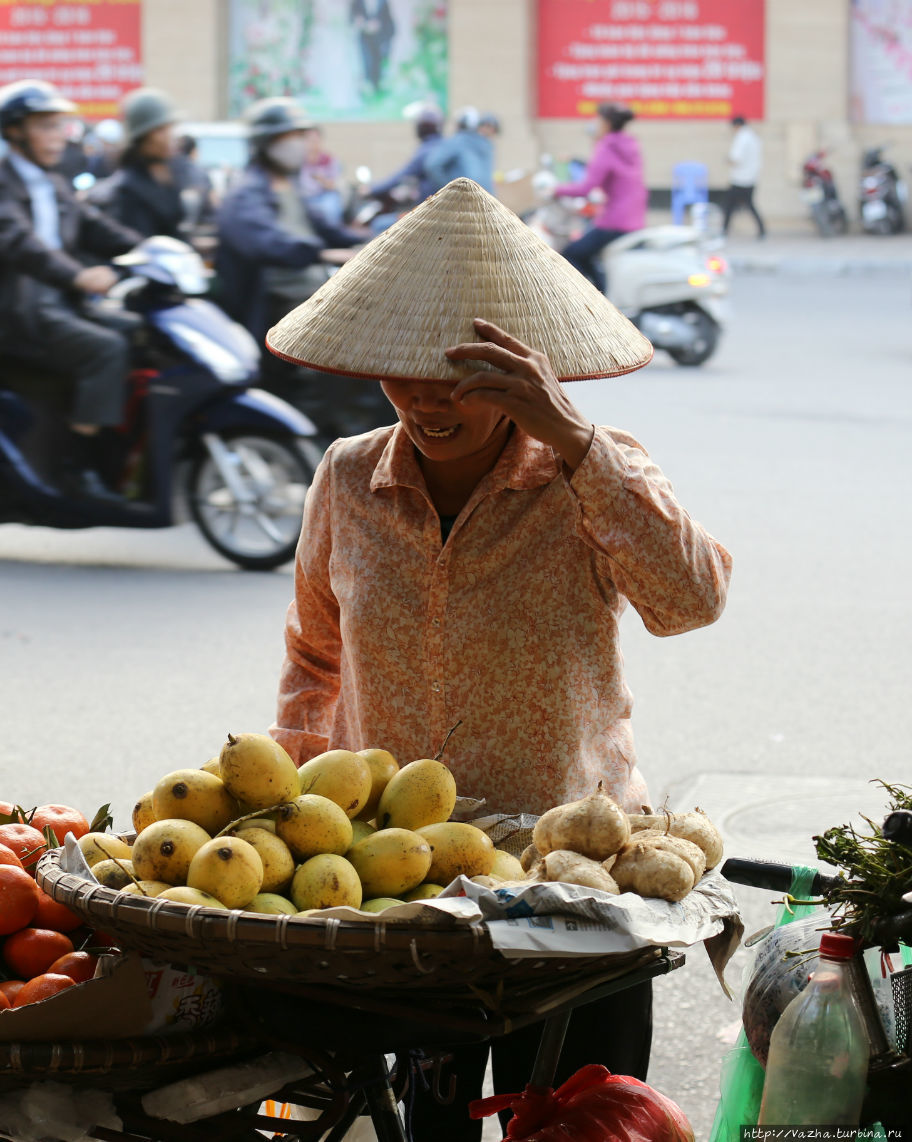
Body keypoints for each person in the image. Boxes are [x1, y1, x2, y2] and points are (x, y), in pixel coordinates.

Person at [264, 179, 731, 1141]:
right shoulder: (350, 476)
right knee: (417, 1122)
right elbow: (314, 654)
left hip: (571, 883)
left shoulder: (590, 471)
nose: (429, 400)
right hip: (398, 885)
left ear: (527, 370)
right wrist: (298, 808)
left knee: (562, 1117)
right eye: (402, 372)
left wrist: (575, 439)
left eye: (462, 375)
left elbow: (692, 602)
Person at [0, 80, 143, 508]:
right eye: (45, 126)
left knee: (143, 331)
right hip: (20, 309)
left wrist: (153, 248)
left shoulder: (54, 181)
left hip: (60, 302)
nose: (57, 135)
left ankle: (122, 450)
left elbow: (94, 226)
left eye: (60, 125)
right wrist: (78, 276)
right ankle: (75, 466)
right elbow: (21, 244)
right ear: (14, 132)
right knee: (104, 349)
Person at [215, 97, 363, 347]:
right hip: (279, 304)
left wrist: (375, 239)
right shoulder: (245, 194)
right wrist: (322, 254)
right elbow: (269, 244)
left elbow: (327, 229)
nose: (299, 144)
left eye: (301, 135)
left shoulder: (291, 186)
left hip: (312, 291)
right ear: (267, 142)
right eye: (290, 135)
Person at [553, 102, 647, 293]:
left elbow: (586, 188)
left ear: (605, 123)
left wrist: (557, 190)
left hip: (614, 222)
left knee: (571, 254)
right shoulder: (629, 145)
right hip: (635, 220)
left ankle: (597, 298)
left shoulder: (607, 148)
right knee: (588, 252)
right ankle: (603, 293)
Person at [95, 88, 189, 240]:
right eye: (161, 130)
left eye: (170, 128)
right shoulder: (128, 188)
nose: (170, 136)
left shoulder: (168, 173)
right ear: (142, 138)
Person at [368, 102, 445, 208]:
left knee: (380, 224)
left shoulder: (427, 151)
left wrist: (372, 189)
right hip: (440, 209)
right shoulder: (444, 147)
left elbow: (400, 176)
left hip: (430, 211)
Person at [425, 107, 497, 195]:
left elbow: (432, 165)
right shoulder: (486, 145)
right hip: (489, 201)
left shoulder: (456, 142)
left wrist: (449, 190)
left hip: (464, 201)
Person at [724, 115, 766, 239]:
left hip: (740, 179)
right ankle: (762, 230)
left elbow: (735, 159)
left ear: (737, 125)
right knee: (750, 205)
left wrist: (727, 160)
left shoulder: (742, 138)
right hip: (751, 177)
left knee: (729, 206)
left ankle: (724, 231)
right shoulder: (753, 137)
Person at [299, 127, 344, 226]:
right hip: (303, 197)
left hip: (323, 195)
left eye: (315, 141)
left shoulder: (329, 160)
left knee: (330, 207)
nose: (312, 144)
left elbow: (333, 186)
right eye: (309, 140)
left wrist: (321, 179)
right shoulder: (297, 160)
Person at [351, 0, 395, 96]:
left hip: (380, 40)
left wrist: (379, 26)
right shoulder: (357, 2)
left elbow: (388, 20)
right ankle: (366, 89)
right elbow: (353, 17)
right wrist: (362, 24)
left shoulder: (383, 2)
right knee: (366, 63)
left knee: (378, 66)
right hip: (364, 39)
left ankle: (377, 89)